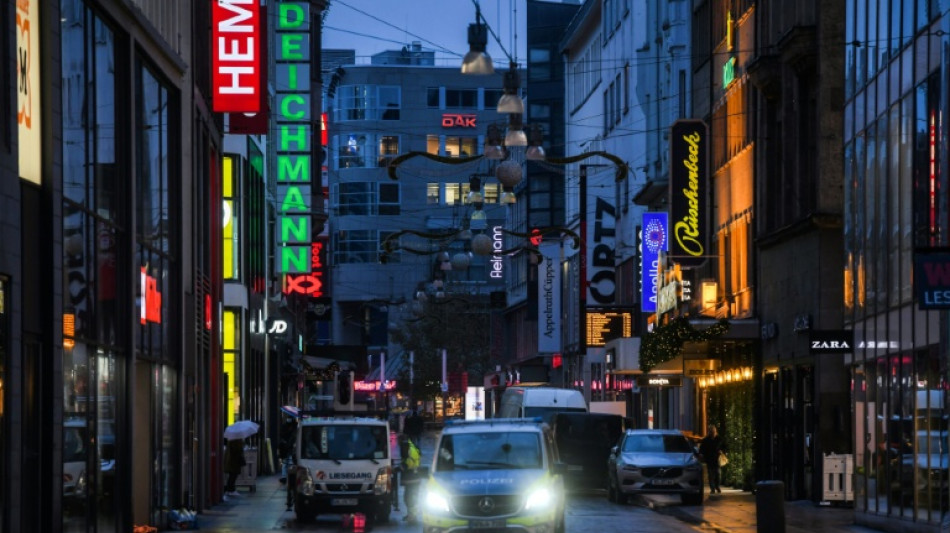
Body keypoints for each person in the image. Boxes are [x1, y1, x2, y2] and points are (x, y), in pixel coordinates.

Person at [399, 433, 422, 522]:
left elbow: (407, 463)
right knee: (412, 496)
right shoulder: (412, 445)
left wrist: (397, 468)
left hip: (410, 477)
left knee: (408, 497)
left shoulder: (405, 446)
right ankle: (411, 515)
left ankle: (412, 516)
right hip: (416, 476)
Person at [699, 424, 725, 494]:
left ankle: (717, 486)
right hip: (709, 459)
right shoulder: (706, 440)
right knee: (711, 475)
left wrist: (722, 451)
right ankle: (712, 488)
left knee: (718, 474)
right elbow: (702, 448)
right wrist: (701, 454)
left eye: (714, 432)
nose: (713, 433)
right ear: (709, 432)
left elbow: (724, 446)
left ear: (715, 431)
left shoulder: (719, 439)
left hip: (717, 459)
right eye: (711, 432)